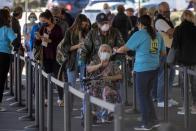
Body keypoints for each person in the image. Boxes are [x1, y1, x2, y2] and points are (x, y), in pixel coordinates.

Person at [117, 15, 166, 130]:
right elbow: (163, 53)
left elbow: (125, 48)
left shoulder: (139, 34)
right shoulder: (158, 35)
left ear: (140, 24)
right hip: (154, 67)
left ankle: (146, 123)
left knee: (143, 96)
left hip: (142, 69)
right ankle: (153, 120)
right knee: (147, 95)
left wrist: (117, 50)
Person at [57, 14, 90, 106]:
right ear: (78, 23)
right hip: (72, 61)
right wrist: (78, 46)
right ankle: (68, 104)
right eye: (82, 24)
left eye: (85, 24)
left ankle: (86, 106)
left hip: (84, 61)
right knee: (71, 84)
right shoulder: (69, 32)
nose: (84, 26)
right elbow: (65, 48)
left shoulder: (87, 31)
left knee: (85, 83)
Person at [86, 44, 122, 122]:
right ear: (99, 53)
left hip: (109, 86)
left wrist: (108, 78)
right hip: (95, 86)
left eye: (107, 51)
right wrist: (99, 65)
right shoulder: (95, 61)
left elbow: (120, 76)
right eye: (103, 51)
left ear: (110, 53)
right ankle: (94, 113)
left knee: (106, 90)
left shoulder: (113, 64)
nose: (105, 52)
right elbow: (88, 69)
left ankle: (109, 113)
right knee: (92, 91)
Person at [35, 10, 63, 103]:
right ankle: (46, 98)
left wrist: (50, 41)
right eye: (41, 21)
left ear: (50, 19)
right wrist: (38, 38)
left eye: (44, 21)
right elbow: (38, 43)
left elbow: (61, 43)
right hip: (46, 56)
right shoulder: (42, 29)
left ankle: (60, 98)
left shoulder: (58, 28)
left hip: (56, 56)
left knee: (58, 77)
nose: (43, 23)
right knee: (46, 77)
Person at [154, 2, 178, 107]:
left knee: (170, 76)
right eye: (163, 11)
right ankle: (160, 99)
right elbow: (171, 32)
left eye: (167, 10)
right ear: (159, 11)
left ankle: (168, 97)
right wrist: (179, 30)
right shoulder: (159, 21)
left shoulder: (167, 20)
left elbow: (171, 32)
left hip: (169, 51)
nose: (166, 12)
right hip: (163, 52)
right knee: (163, 76)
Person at [172, 10, 196, 114]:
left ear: (182, 17)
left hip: (182, 61)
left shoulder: (178, 29)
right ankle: (195, 106)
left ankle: (185, 107)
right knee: (194, 84)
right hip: (195, 60)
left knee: (184, 84)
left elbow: (175, 45)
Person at [0, 9, 18, 112]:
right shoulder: (7, 29)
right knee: (1, 80)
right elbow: (15, 42)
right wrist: (16, 48)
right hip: (4, 56)